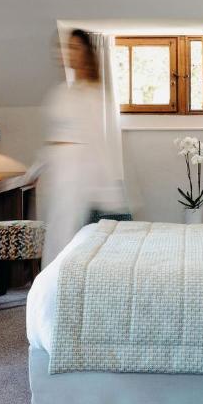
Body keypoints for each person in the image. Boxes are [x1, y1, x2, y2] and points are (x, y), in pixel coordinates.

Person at [39, 29, 125, 265]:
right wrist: (39, 168)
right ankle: (53, 282)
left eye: (75, 48)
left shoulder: (93, 94)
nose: (68, 54)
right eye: (66, 48)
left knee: (68, 232)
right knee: (56, 230)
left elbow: (97, 139)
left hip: (78, 171)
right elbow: (54, 136)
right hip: (59, 169)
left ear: (86, 53)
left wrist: (106, 184)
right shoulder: (64, 91)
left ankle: (64, 281)